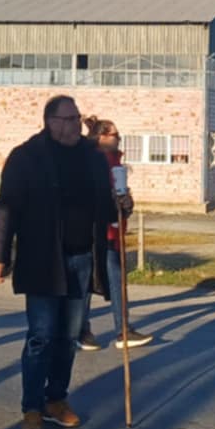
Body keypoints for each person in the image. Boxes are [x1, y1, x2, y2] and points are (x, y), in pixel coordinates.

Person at [0, 95, 120, 429]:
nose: (74, 125)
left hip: (81, 259)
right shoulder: (27, 157)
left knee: (69, 336)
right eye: (67, 119)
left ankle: (56, 399)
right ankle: (31, 408)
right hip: (42, 259)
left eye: (77, 118)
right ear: (49, 121)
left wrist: (122, 205)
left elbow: (105, 205)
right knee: (41, 336)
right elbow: (6, 207)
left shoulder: (92, 157)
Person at [77, 116, 150, 352]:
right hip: (98, 231)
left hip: (113, 229)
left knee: (100, 280)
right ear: (101, 137)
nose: (118, 139)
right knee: (102, 279)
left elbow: (119, 192)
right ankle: (117, 330)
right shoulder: (93, 160)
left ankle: (87, 330)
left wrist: (125, 202)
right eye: (115, 135)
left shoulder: (114, 161)